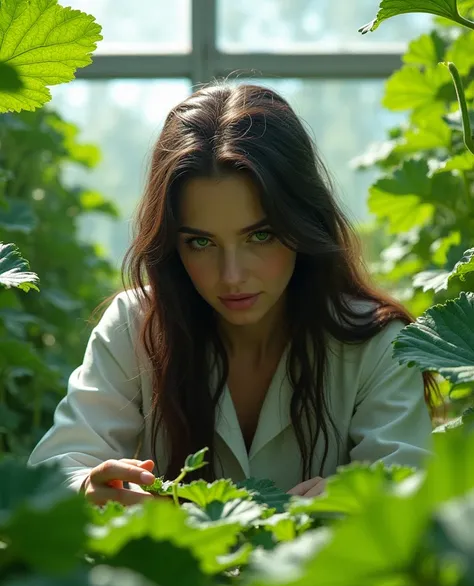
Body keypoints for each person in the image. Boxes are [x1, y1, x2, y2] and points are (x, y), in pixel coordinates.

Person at [27, 81, 436, 507]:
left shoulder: (376, 343)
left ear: (303, 224)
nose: (232, 275)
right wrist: (87, 486)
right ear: (171, 245)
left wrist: (359, 500)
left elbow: (412, 497)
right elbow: (54, 469)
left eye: (260, 235)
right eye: (201, 243)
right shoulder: (134, 325)